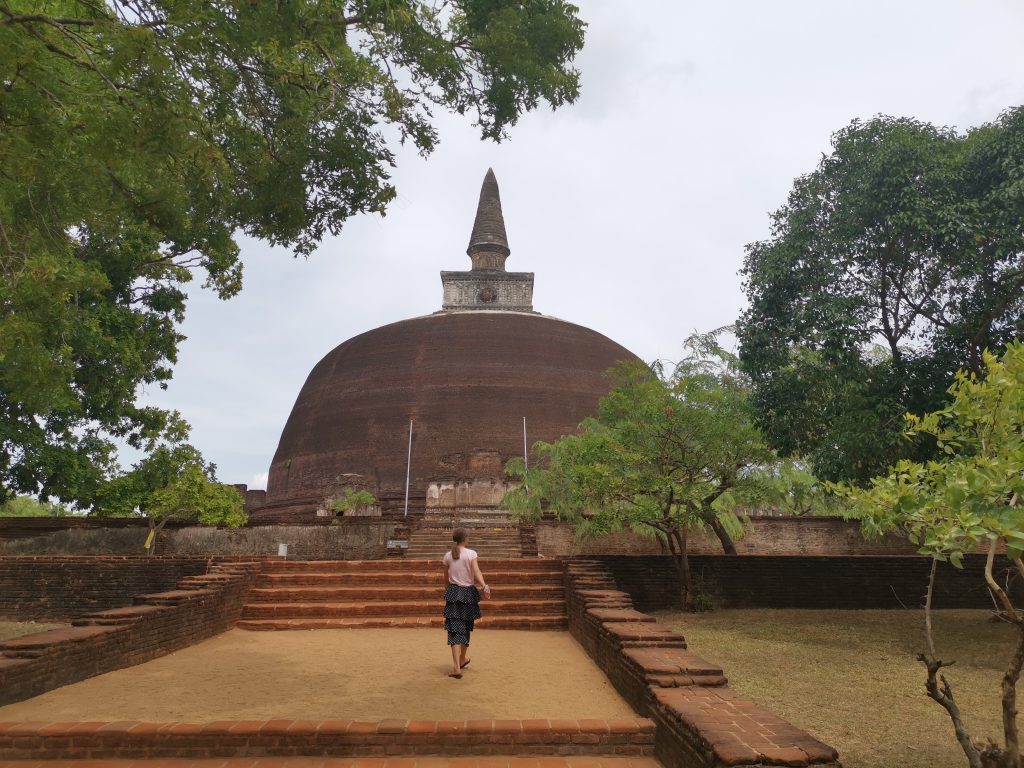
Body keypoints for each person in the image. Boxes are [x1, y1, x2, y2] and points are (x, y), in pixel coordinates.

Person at [442, 527, 490, 679]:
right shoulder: (471, 554)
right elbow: (476, 572)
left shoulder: (448, 556)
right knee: (466, 627)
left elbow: (446, 579)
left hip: (454, 593)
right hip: (468, 594)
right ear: (465, 539)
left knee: (455, 630)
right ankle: (461, 660)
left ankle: (458, 665)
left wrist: (449, 592)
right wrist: (484, 586)